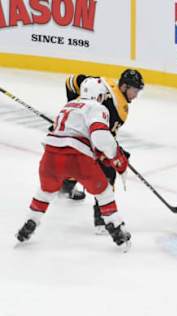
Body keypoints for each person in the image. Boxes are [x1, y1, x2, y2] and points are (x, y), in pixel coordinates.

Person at [15, 78, 132, 250]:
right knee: (104, 192)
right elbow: (100, 137)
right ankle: (116, 229)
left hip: (50, 156)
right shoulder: (97, 107)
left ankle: (31, 220)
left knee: (46, 191)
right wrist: (116, 158)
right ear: (99, 95)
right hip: (78, 158)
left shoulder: (67, 106)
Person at [61, 69, 144, 233]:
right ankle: (103, 218)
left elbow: (71, 81)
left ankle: (66, 186)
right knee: (108, 171)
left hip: (74, 133)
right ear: (124, 86)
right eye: (134, 91)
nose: (136, 95)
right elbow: (102, 143)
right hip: (80, 135)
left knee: (75, 157)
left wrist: (71, 113)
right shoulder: (118, 109)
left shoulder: (97, 83)